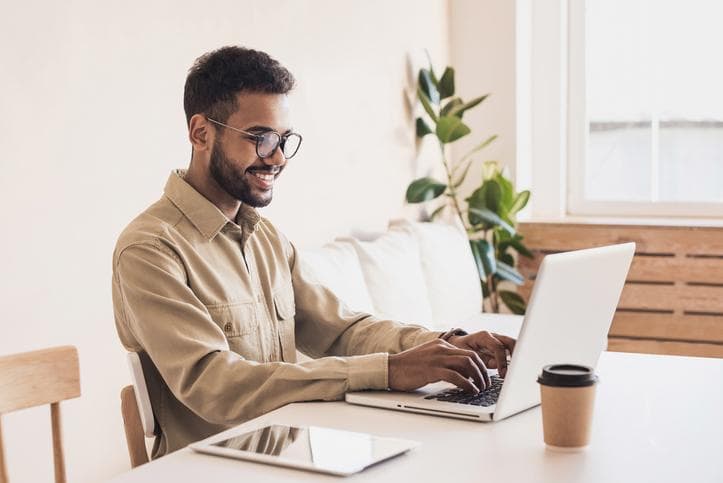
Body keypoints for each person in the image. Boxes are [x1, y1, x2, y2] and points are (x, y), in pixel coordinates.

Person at [112, 46, 516, 458]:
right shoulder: (150, 249)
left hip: (292, 462)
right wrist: (389, 372)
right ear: (201, 133)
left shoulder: (266, 238)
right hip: (212, 470)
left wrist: (443, 346)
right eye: (261, 139)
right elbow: (215, 385)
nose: (278, 158)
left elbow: (342, 329)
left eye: (284, 139)